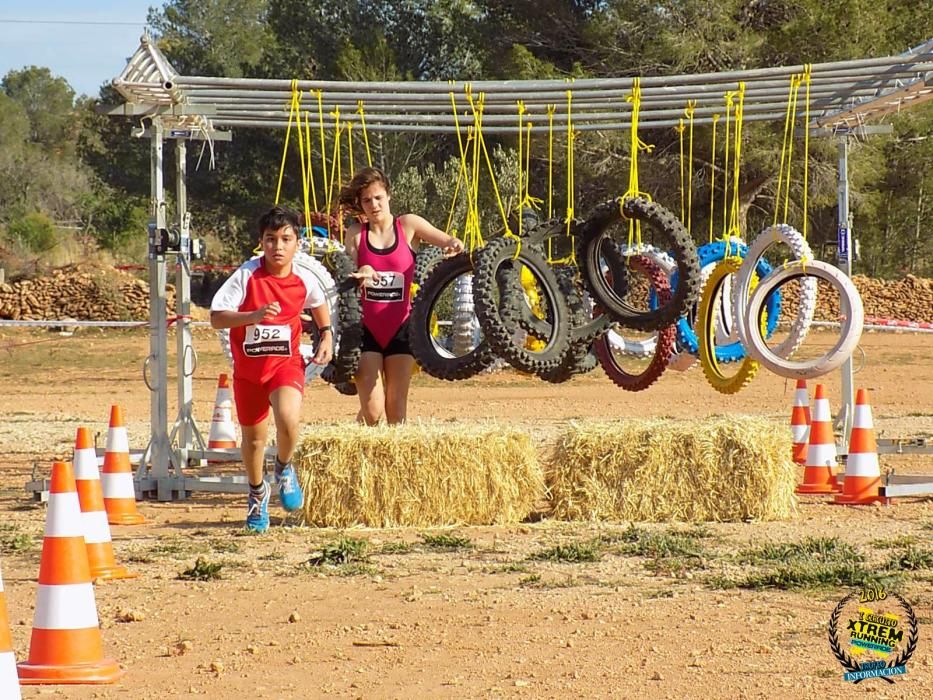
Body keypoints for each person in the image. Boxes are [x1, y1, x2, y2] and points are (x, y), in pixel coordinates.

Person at [210, 206, 333, 532]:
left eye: (285, 239)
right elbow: (216, 317)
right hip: (249, 371)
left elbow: (319, 303)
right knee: (253, 441)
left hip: (285, 364)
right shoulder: (247, 276)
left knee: (288, 419)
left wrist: (327, 336)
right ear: (261, 242)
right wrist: (252, 316)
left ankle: (283, 467)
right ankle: (257, 493)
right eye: (271, 240)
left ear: (297, 243)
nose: (278, 247)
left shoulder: (303, 278)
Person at [339, 166, 463, 425]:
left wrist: (454, 244)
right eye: (366, 200)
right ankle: (362, 447)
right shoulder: (356, 234)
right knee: (373, 413)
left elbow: (447, 240)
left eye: (378, 198)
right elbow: (346, 275)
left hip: (401, 328)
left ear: (388, 196)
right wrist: (361, 270)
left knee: (396, 411)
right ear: (360, 204)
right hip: (366, 330)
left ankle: (389, 462)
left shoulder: (408, 225)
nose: (373, 205)